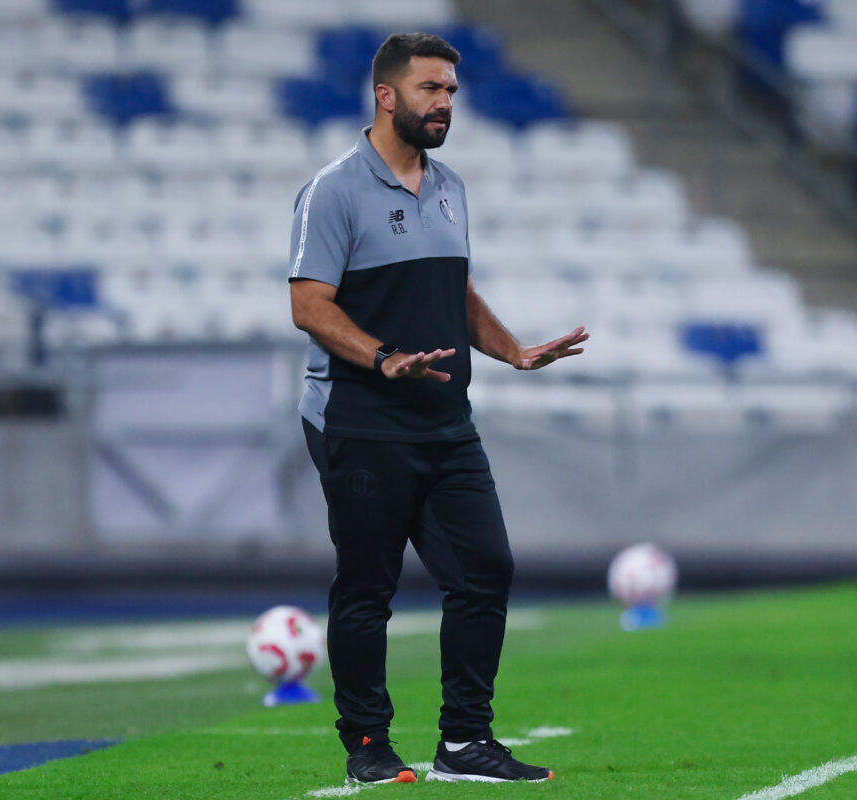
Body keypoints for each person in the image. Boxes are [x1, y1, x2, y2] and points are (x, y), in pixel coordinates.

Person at [288, 32, 588, 785]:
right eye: (431, 89)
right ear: (387, 95)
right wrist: (385, 357)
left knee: (486, 569)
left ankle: (465, 742)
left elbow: (455, 292)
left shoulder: (451, 186)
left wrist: (513, 351)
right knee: (367, 588)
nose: (446, 102)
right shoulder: (333, 190)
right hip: (358, 419)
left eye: (451, 90)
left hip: (446, 423)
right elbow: (309, 307)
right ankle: (365, 747)